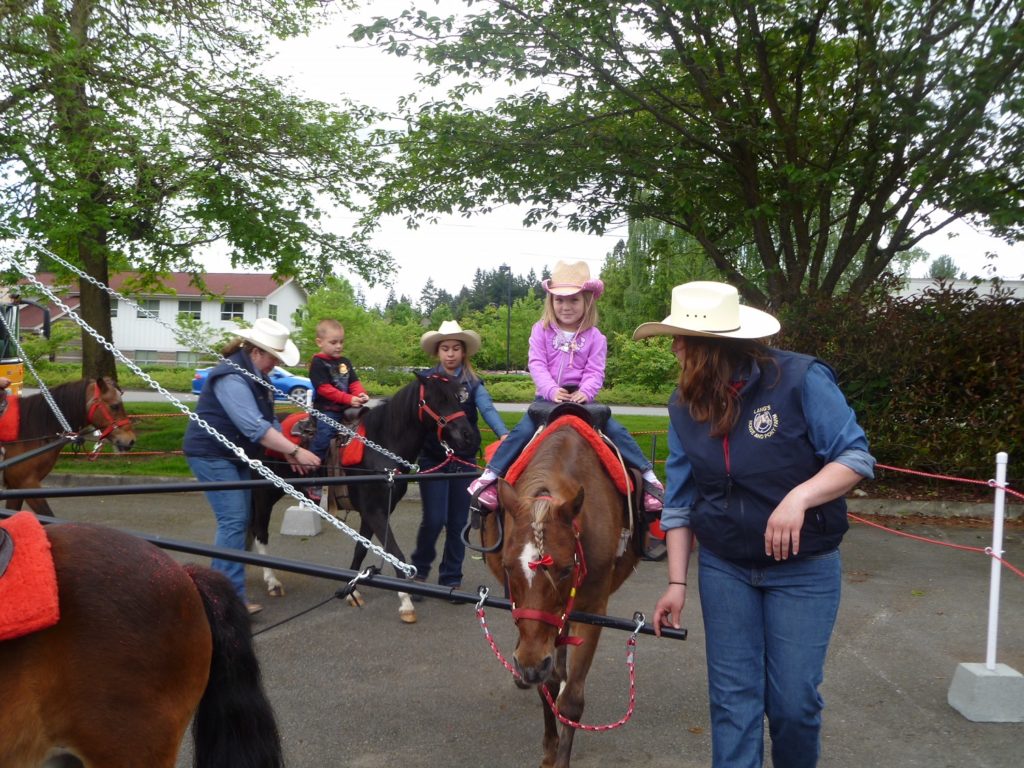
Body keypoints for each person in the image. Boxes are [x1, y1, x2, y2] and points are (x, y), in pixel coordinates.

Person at [641, 282, 875, 768]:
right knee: (733, 704)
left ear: (710, 346)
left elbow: (854, 456)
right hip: (726, 569)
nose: (673, 348)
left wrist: (800, 497)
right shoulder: (684, 406)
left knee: (794, 704)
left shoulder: (799, 379)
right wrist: (676, 583)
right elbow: (681, 500)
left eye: (680, 339)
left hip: (803, 569)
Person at [467, 260, 664, 511]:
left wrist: (585, 392)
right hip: (547, 401)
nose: (566, 306)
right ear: (551, 302)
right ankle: (490, 479)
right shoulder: (541, 330)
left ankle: (649, 479)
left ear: (587, 302)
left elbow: (595, 371)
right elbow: (536, 363)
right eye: (559, 300)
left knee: (617, 432)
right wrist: (550, 390)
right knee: (521, 432)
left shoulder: (596, 337)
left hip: (583, 402)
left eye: (574, 300)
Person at [183, 317, 321, 615]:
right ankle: (227, 598)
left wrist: (287, 453)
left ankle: (217, 590)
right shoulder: (231, 376)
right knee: (233, 520)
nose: (275, 363)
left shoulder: (258, 377)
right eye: (275, 357)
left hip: (235, 455)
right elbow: (253, 426)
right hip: (211, 453)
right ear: (258, 351)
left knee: (240, 519)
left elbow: (270, 420)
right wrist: (296, 449)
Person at [411, 320, 508, 595]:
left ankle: (451, 577)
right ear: (438, 352)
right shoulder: (426, 381)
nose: (450, 353)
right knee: (433, 519)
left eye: (455, 348)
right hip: (433, 457)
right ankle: (418, 573)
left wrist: (503, 435)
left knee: (457, 522)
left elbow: (487, 410)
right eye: (445, 348)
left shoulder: (473, 384)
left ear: (463, 352)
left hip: (464, 459)